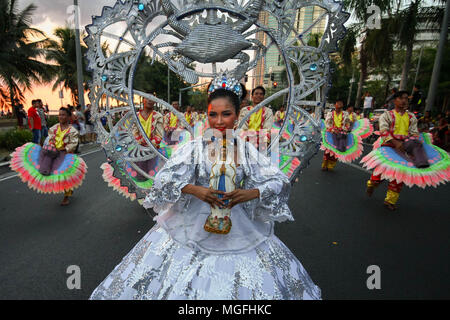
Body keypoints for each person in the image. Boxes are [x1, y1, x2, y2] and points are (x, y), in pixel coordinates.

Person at [90, 76, 321, 300]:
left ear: (237, 116)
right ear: (206, 115)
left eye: (226, 114)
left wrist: (249, 193)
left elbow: (278, 180)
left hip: (237, 224)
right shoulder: (194, 148)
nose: (219, 121)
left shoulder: (247, 150)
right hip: (192, 224)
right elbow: (164, 180)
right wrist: (195, 190)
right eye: (213, 115)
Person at [362, 91, 450, 211]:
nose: (404, 101)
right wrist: (396, 142)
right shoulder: (387, 115)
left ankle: (390, 200)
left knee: (399, 175)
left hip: (404, 147)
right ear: (395, 100)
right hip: (389, 146)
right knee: (378, 175)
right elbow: (383, 132)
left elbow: (414, 133)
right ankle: (371, 185)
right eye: (401, 98)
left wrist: (409, 142)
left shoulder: (411, 117)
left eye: (406, 99)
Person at [9, 107, 87, 206]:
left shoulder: (72, 130)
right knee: (49, 171)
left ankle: (66, 196)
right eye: (59, 114)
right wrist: (50, 147)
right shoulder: (54, 128)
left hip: (66, 154)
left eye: (63, 115)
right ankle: (67, 189)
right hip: (53, 153)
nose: (61, 117)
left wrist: (63, 149)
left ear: (68, 117)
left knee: (65, 175)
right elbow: (49, 139)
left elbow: (73, 144)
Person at [133, 98, 164, 181]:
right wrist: (141, 142)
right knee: (140, 176)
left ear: (154, 102)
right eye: (147, 98)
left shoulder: (158, 116)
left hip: (153, 150)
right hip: (139, 150)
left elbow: (159, 135)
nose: (150, 100)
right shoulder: (135, 115)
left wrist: (149, 145)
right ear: (143, 100)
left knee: (153, 176)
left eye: (151, 99)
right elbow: (134, 132)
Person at [321, 99, 351, 171]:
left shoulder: (345, 114)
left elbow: (347, 123)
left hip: (341, 134)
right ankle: (325, 164)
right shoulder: (330, 113)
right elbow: (327, 123)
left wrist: (344, 129)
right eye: (338, 103)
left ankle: (331, 166)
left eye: (341, 103)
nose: (340, 105)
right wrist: (332, 129)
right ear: (335, 105)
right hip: (331, 133)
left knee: (337, 151)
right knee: (328, 150)